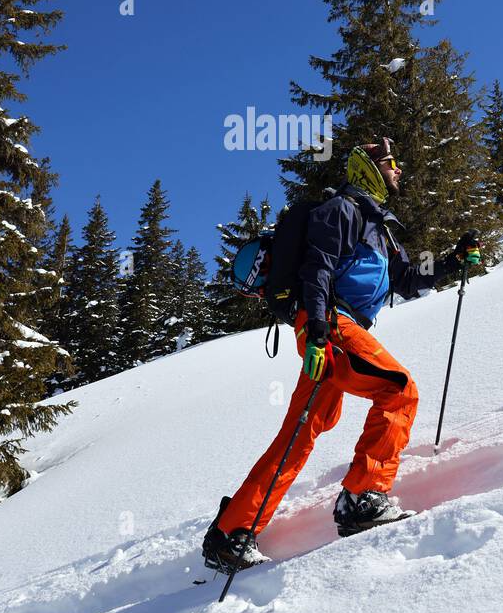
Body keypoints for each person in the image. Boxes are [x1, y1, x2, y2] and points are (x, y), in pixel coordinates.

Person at [202, 137, 480, 572]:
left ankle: (230, 533)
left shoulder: (379, 228)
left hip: (329, 326)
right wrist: (315, 329)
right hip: (330, 324)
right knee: (398, 390)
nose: (398, 170)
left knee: (302, 430)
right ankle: (362, 498)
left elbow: (406, 280)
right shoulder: (343, 211)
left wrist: (452, 261)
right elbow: (318, 266)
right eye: (392, 163)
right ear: (369, 169)